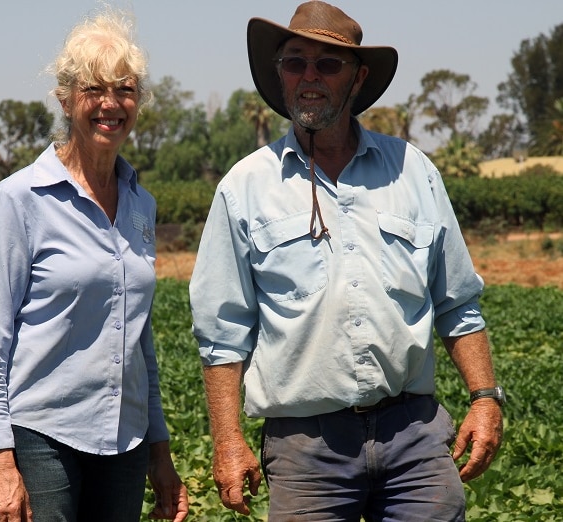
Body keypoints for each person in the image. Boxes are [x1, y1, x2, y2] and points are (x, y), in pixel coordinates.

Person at [189, 2, 504, 520]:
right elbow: (222, 333)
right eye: (294, 62)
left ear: (357, 80)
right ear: (280, 75)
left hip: (415, 438)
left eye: (327, 64)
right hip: (304, 450)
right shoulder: (244, 187)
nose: (309, 76)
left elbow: (459, 305)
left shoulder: (412, 171)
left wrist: (485, 397)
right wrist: (228, 442)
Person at [0, 8, 188, 522]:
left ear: (139, 101)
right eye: (94, 90)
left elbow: (138, 340)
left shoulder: (139, 205)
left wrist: (159, 450)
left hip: (125, 442)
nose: (111, 104)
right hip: (43, 438)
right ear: (65, 99)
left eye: (124, 89)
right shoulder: (20, 199)